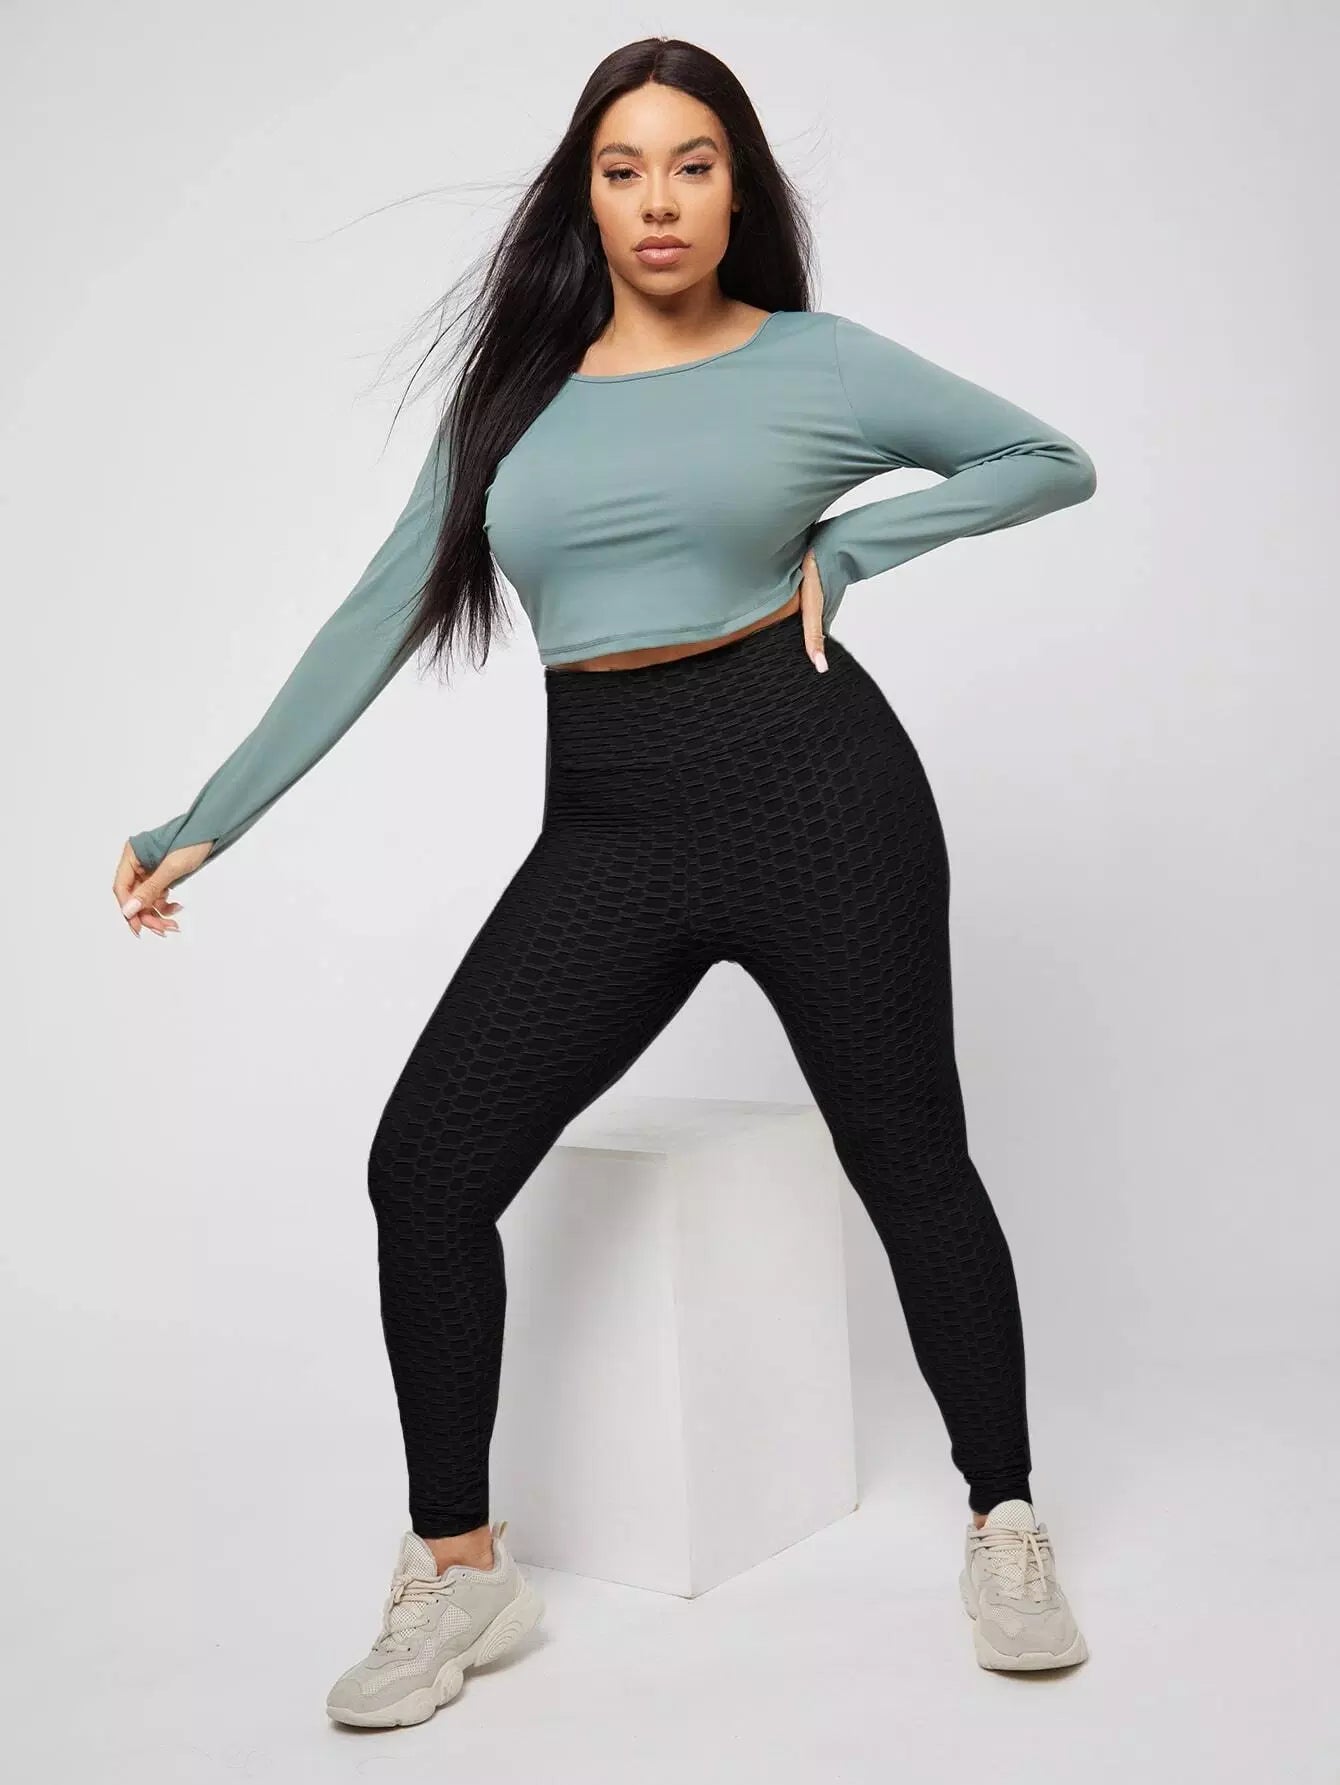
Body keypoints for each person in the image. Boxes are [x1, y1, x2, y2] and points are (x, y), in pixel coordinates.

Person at [115, 37, 1098, 1725]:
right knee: (426, 1167)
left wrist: (856, 545)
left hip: (820, 793)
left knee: (909, 1156)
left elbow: (1043, 459)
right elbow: (379, 607)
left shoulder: (816, 362)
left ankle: (1003, 1520)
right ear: (584, 192)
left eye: (694, 164)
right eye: (625, 167)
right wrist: (214, 813)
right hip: (612, 826)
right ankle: (462, 1571)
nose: (660, 200)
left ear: (738, 186)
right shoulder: (515, 398)